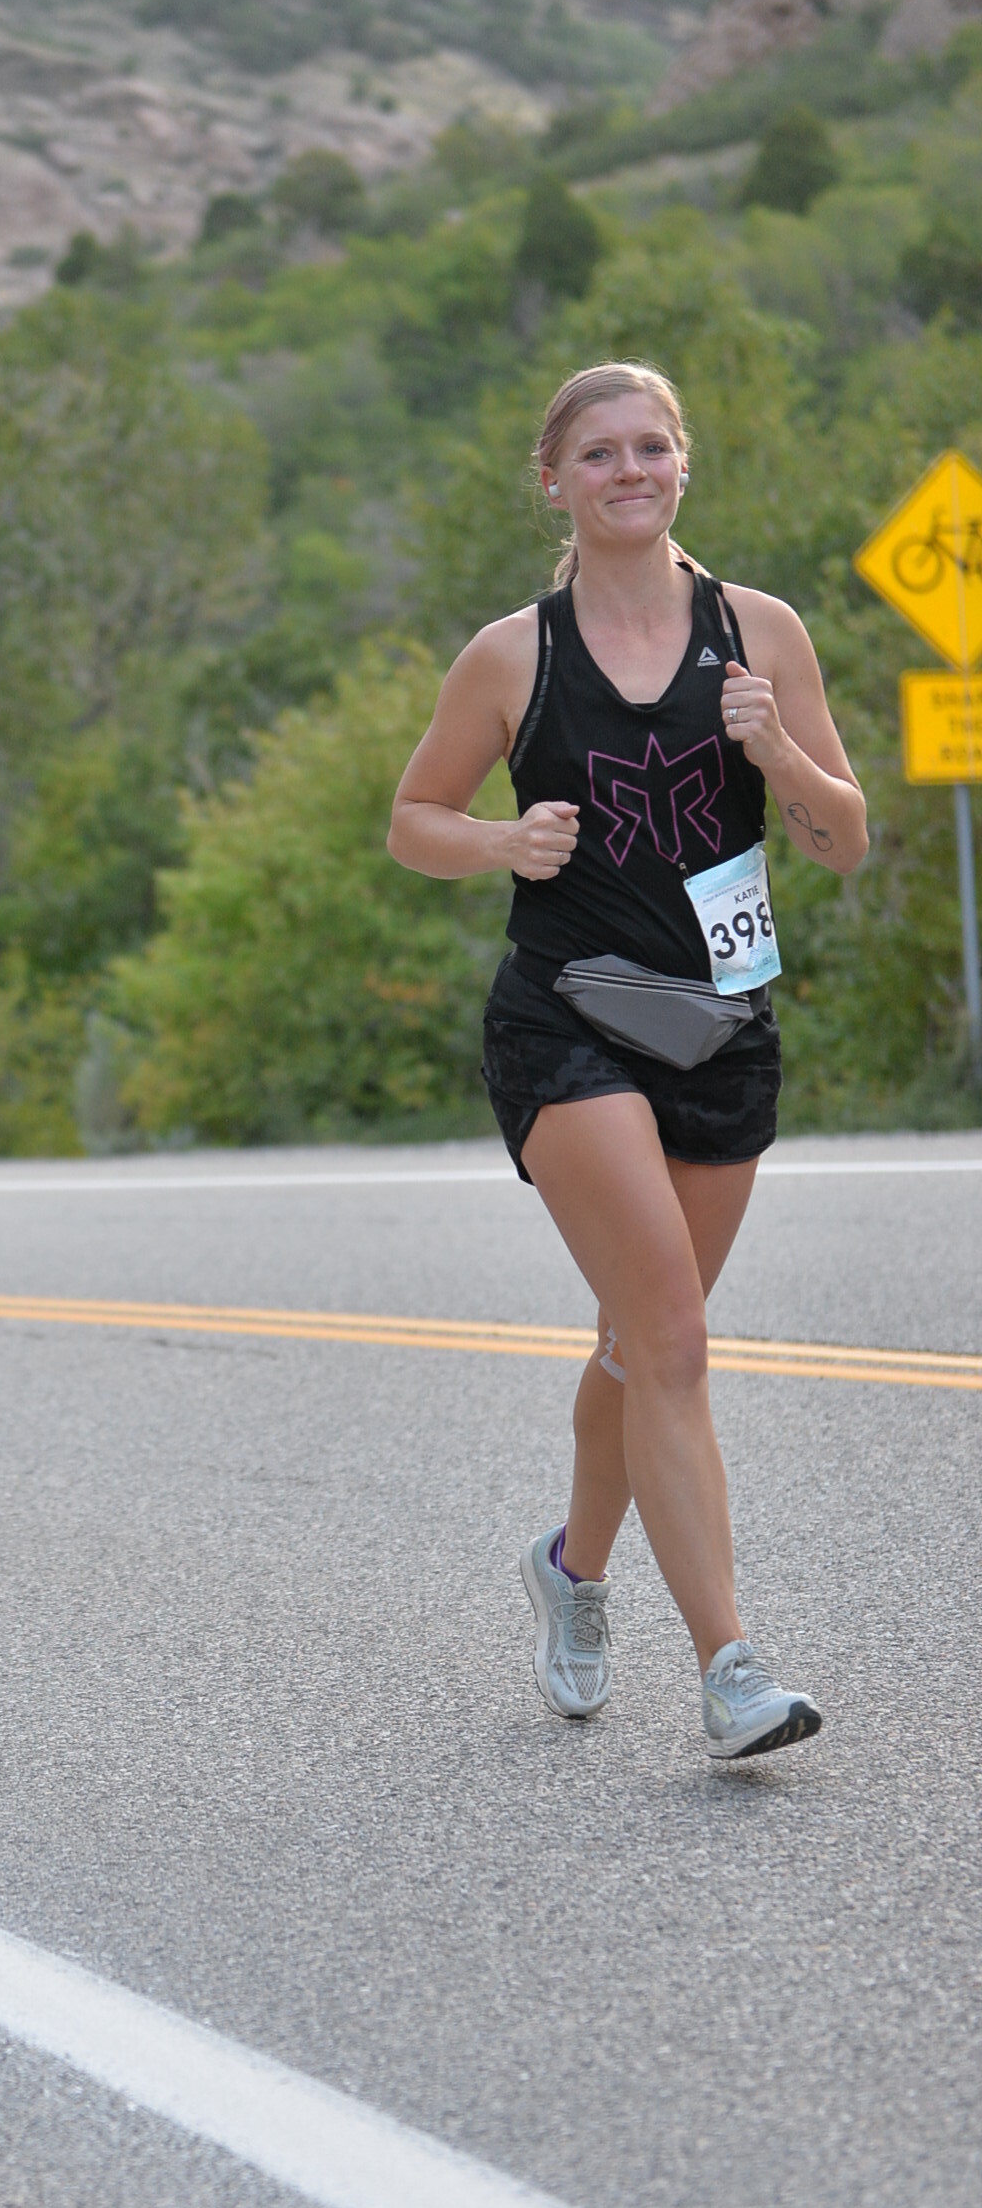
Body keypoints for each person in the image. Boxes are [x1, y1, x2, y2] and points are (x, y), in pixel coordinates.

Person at [388, 361, 867, 1760]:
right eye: (597, 453)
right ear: (555, 481)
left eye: (651, 446)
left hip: (722, 1024)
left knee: (634, 1344)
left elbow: (844, 838)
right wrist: (500, 839)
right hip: (568, 1018)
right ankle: (731, 1668)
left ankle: (571, 1569)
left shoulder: (760, 631)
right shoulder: (513, 656)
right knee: (671, 1337)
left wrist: (778, 753)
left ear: (683, 465)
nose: (629, 470)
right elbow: (414, 817)